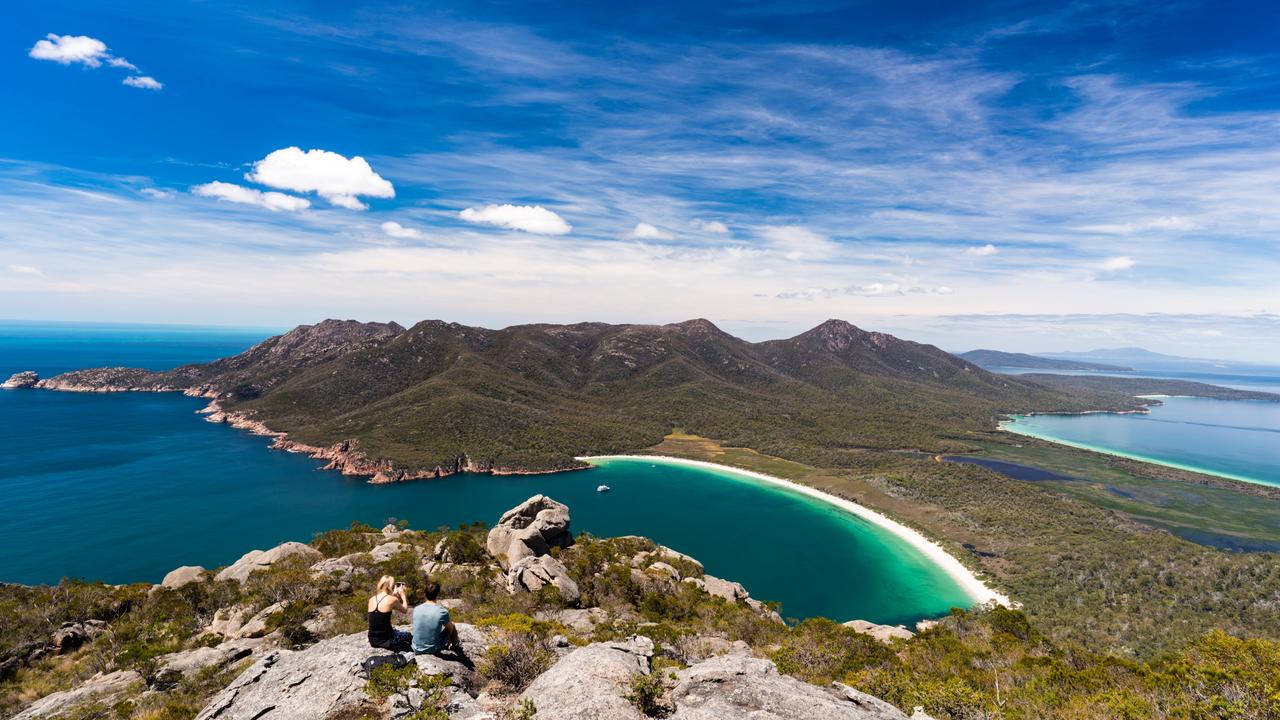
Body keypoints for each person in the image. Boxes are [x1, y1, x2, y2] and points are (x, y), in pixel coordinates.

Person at [411, 579, 462, 655]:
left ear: (425, 594)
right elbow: (449, 629)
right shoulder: (442, 611)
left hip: (416, 648)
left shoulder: (416, 609)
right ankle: (455, 645)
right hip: (433, 649)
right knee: (452, 624)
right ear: (437, 594)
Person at [368, 575, 412, 652]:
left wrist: (393, 595)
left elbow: (385, 603)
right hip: (386, 640)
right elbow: (405, 610)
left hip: (373, 639)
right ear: (391, 586)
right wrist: (403, 596)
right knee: (409, 636)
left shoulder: (371, 599)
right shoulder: (392, 599)